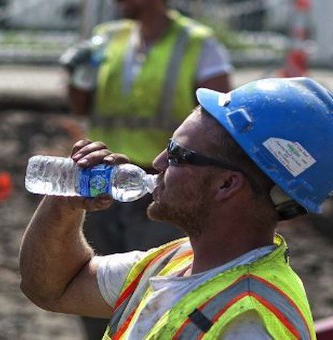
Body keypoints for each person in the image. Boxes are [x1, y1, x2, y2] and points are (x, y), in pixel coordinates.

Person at [19, 77, 332, 339]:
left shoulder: (249, 320)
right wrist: (65, 201)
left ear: (226, 185)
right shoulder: (178, 260)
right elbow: (53, 286)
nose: (157, 163)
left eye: (177, 154)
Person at [59, 1, 233, 336]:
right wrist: (78, 74)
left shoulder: (197, 43)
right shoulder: (107, 38)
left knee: (154, 286)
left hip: (163, 187)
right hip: (103, 182)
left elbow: (220, 122)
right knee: (92, 280)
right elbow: (79, 104)